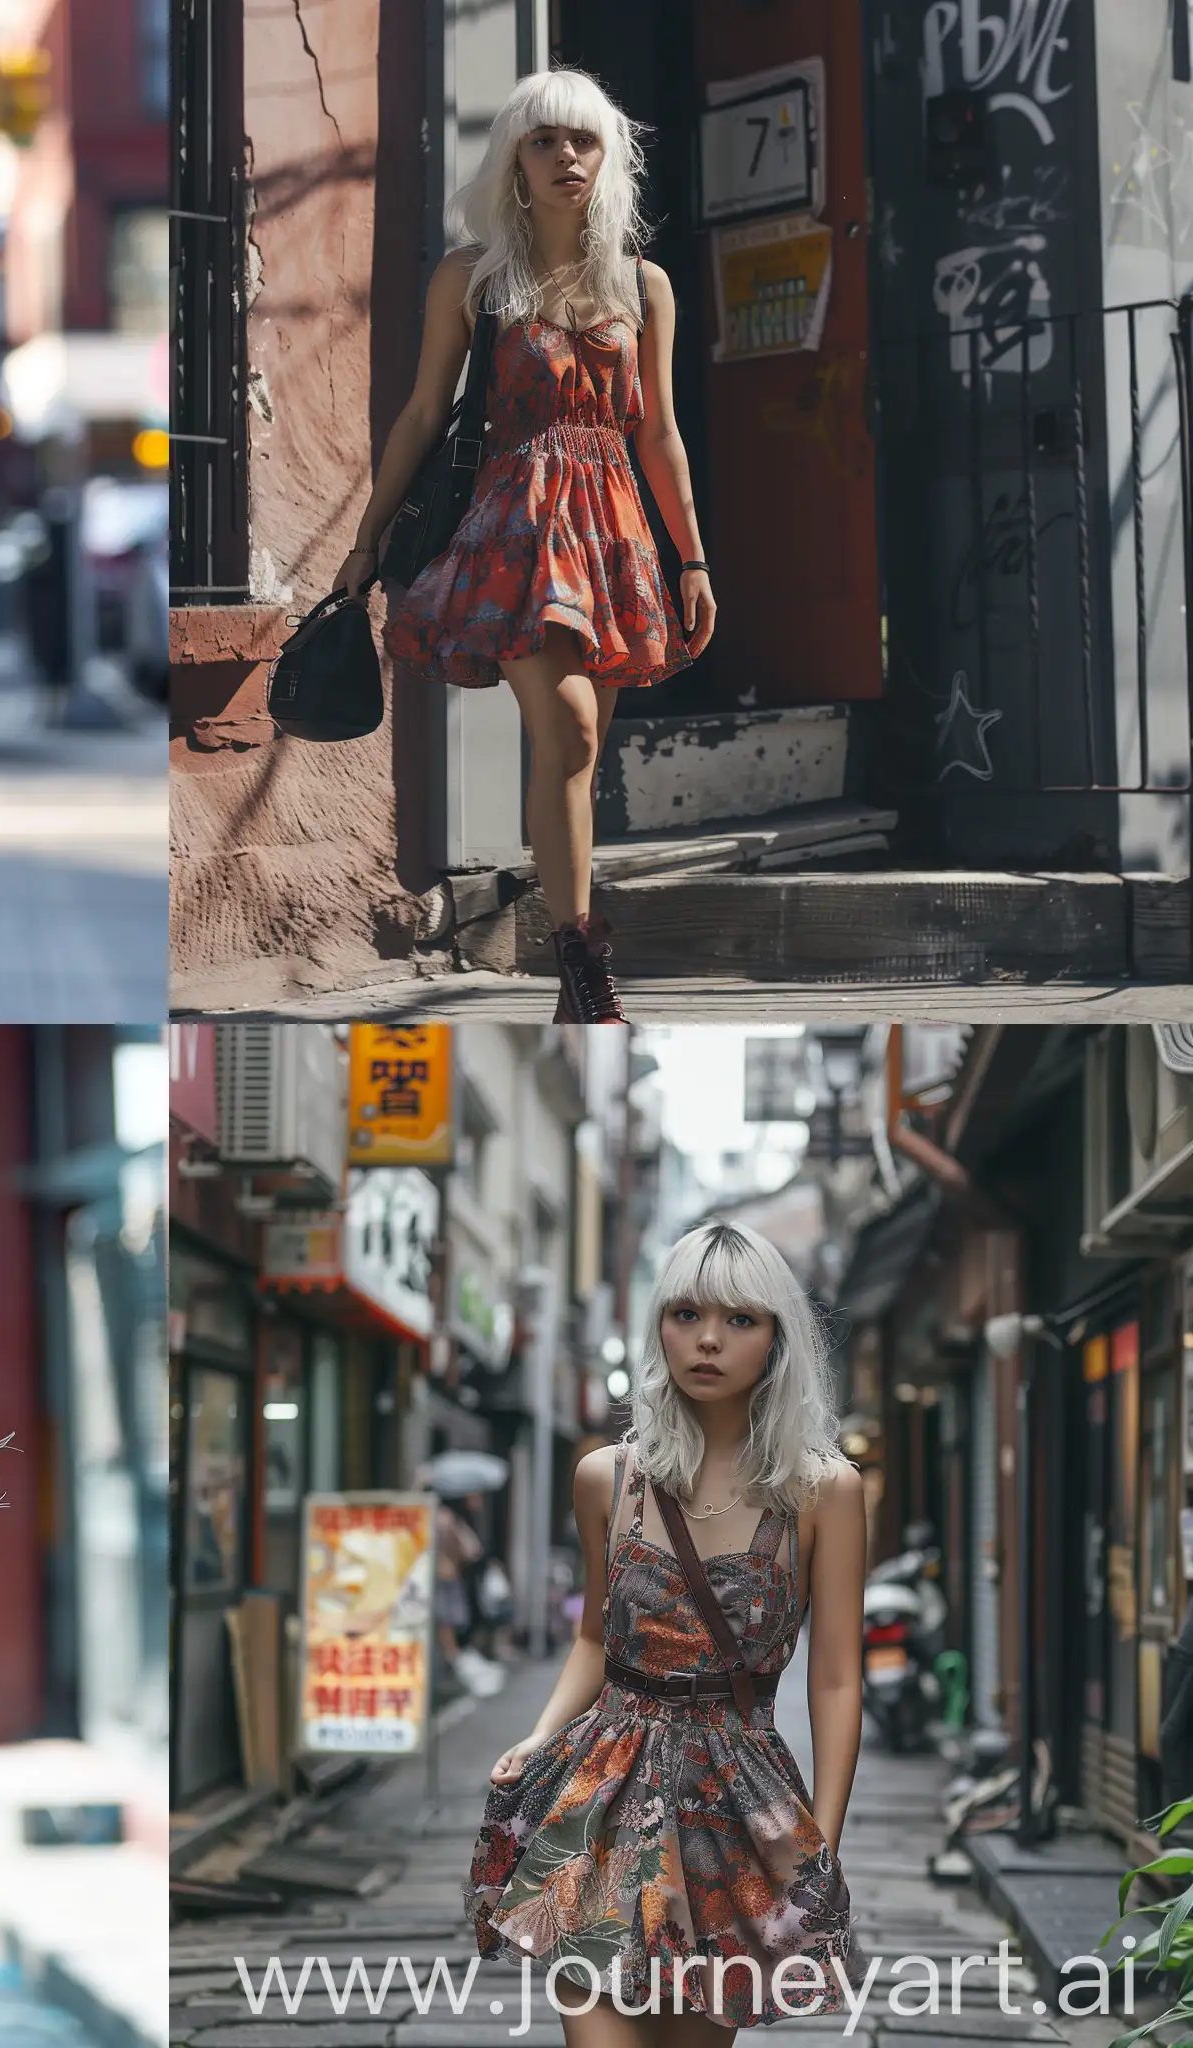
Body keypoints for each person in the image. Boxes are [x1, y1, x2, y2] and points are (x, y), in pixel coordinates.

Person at [336, 69, 717, 1024]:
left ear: (608, 158)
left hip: (614, 528)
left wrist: (695, 558)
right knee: (572, 730)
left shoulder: (645, 284)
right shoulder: (473, 278)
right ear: (514, 158)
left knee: (579, 757)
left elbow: (659, 433)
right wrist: (367, 539)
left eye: (583, 141)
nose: (566, 158)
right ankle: (585, 965)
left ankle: (574, 970)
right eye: (544, 141)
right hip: (514, 528)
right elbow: (424, 413)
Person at [469, 1221, 866, 2034]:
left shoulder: (825, 1491)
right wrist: (542, 1736)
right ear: (658, 1328)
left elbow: (836, 1677)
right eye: (685, 1315)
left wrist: (825, 1837)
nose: (708, 1340)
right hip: (607, 1789)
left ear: (778, 1339)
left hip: (737, 1802)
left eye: (740, 1320)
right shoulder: (604, 1480)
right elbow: (593, 1639)